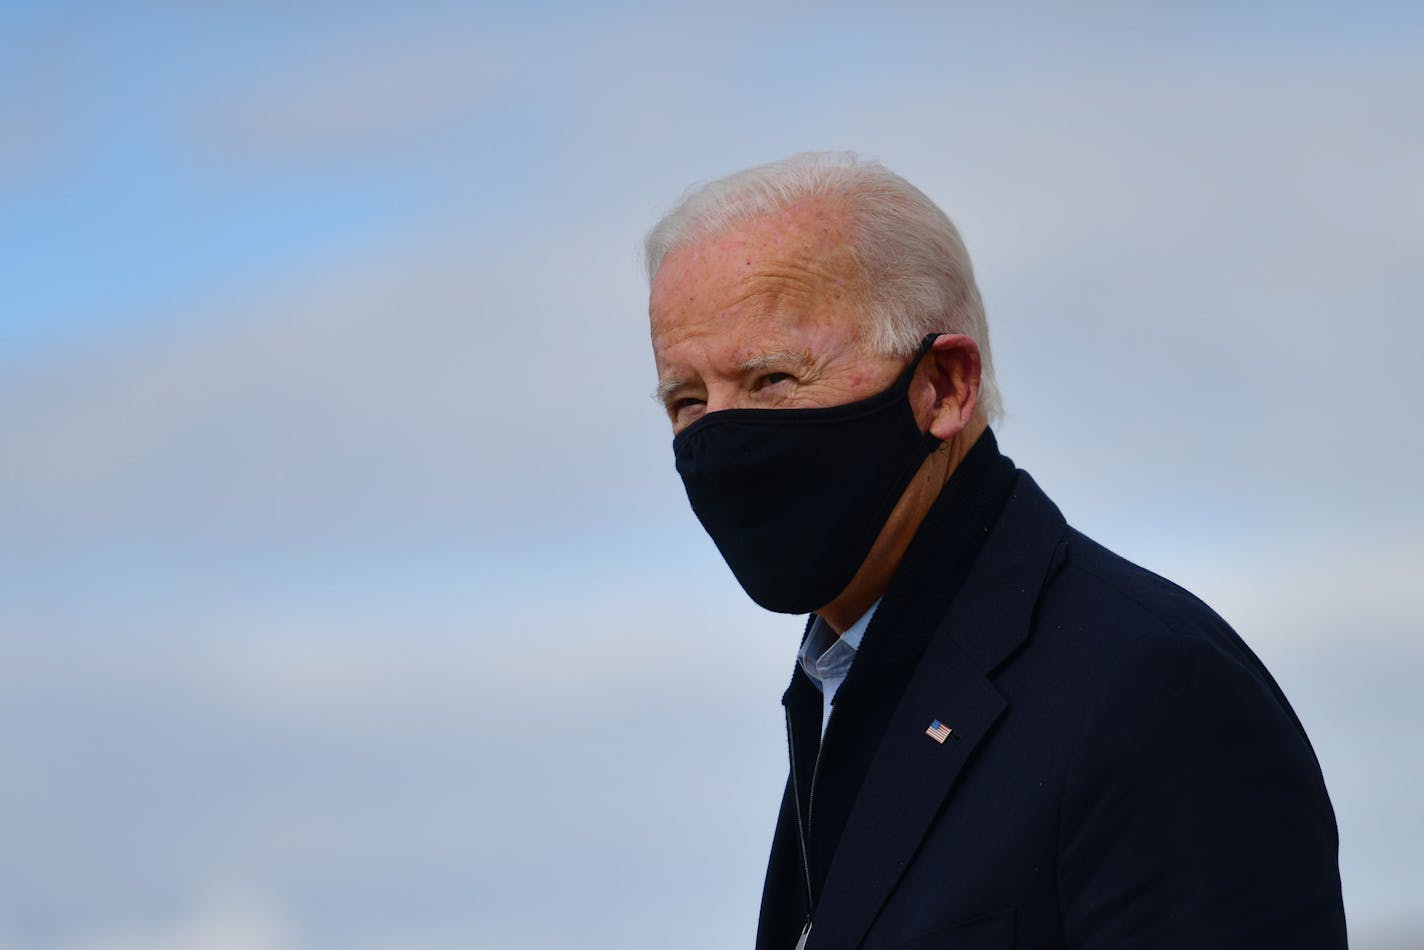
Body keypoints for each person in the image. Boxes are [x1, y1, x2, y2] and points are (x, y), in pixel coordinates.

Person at [644, 152, 1347, 949]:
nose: (719, 439)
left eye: (772, 378)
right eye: (687, 399)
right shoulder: (849, 692)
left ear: (943, 385)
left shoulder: (1152, 691)